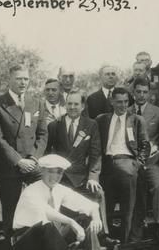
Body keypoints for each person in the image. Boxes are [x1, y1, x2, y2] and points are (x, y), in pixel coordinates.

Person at [45, 91, 116, 246]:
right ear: (65, 105)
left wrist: (93, 177)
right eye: (69, 103)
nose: (72, 107)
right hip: (61, 178)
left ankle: (103, 235)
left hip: (82, 177)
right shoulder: (54, 125)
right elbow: (46, 153)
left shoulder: (91, 125)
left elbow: (96, 154)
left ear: (83, 106)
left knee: (98, 193)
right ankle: (58, 240)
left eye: (76, 104)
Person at [0, 65, 48, 244]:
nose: (23, 82)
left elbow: (43, 134)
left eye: (26, 79)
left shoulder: (36, 102)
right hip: (9, 166)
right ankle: (10, 246)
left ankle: (41, 244)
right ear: (10, 79)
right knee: (11, 211)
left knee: (42, 205)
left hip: (33, 164)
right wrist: (18, 161)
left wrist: (34, 158)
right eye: (19, 78)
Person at [12, 154, 102, 250]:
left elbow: (91, 205)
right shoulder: (30, 191)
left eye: (59, 172)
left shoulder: (60, 189)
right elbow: (45, 212)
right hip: (27, 240)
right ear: (42, 170)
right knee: (46, 226)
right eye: (50, 171)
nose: (55, 176)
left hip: (51, 239)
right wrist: (71, 222)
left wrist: (96, 219)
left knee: (88, 220)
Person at [95, 87, 150, 243]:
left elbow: (146, 146)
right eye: (119, 102)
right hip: (106, 164)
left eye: (126, 101)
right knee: (105, 203)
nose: (123, 105)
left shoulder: (137, 120)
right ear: (111, 102)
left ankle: (128, 241)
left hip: (128, 162)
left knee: (130, 206)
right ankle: (107, 238)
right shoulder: (102, 119)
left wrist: (137, 164)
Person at [128, 78, 159, 242]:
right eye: (138, 92)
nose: (141, 95)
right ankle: (132, 227)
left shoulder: (157, 112)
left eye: (145, 92)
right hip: (131, 162)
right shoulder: (125, 112)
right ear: (133, 93)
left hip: (150, 161)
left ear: (149, 93)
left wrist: (158, 154)